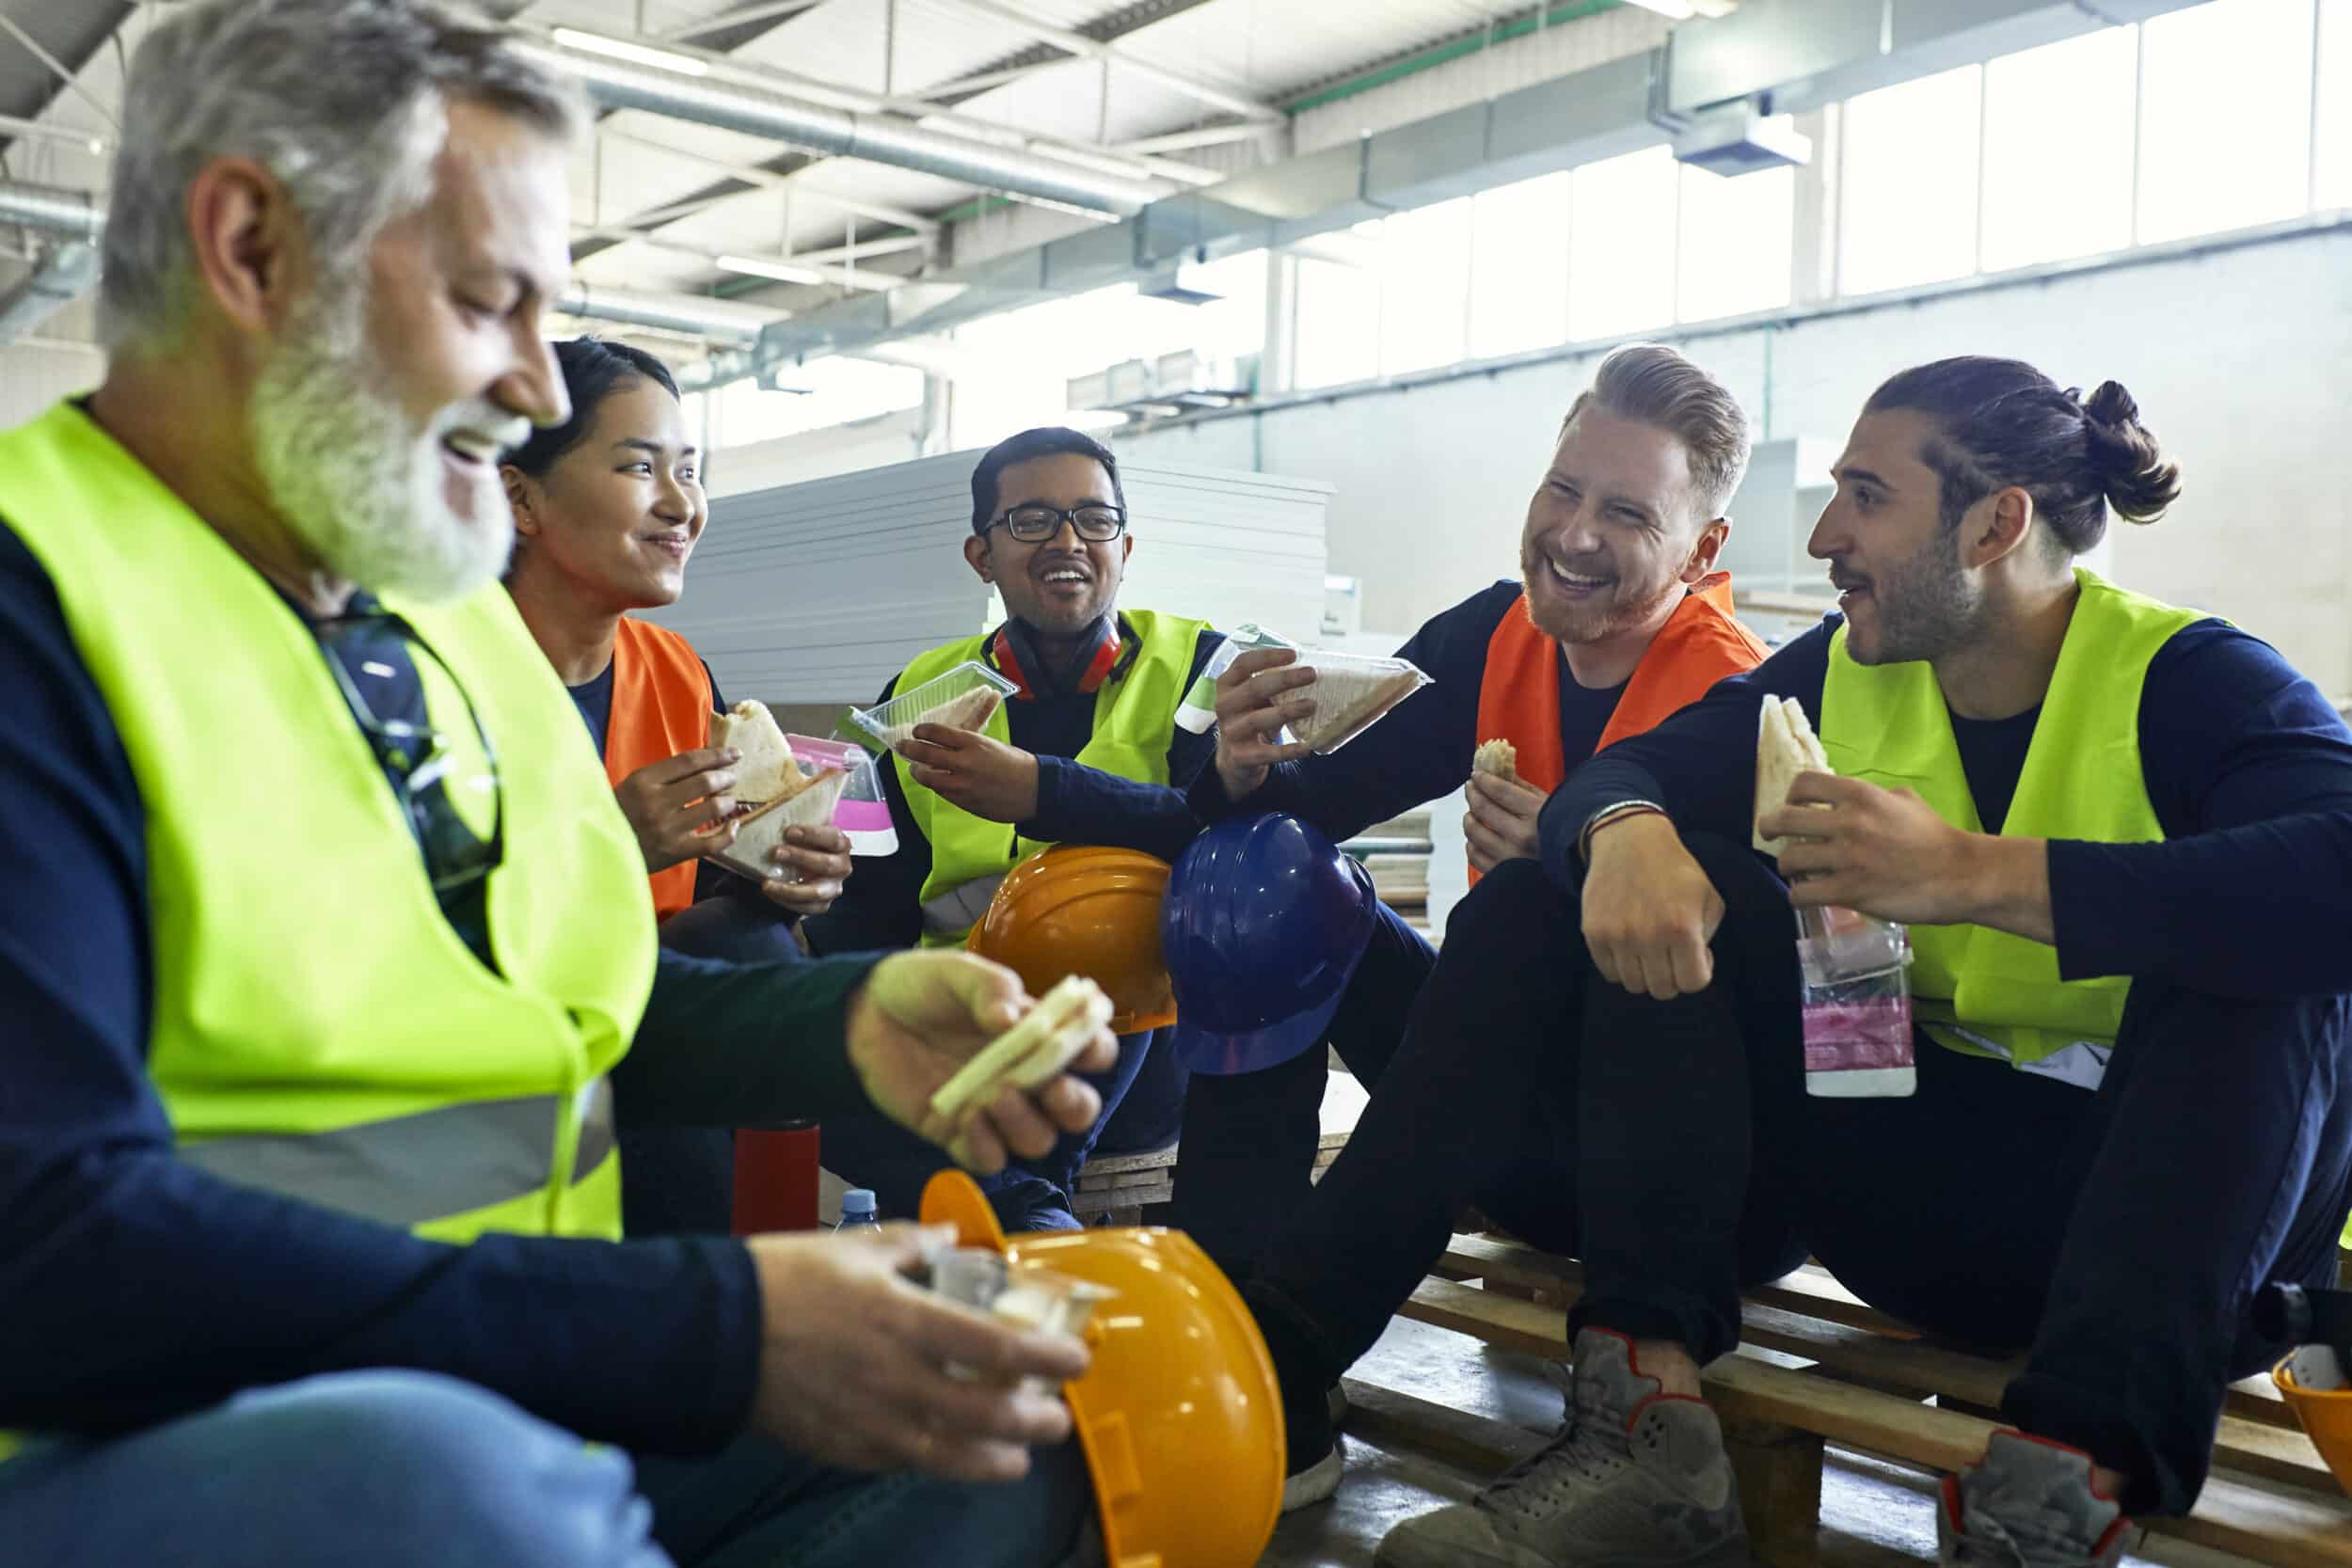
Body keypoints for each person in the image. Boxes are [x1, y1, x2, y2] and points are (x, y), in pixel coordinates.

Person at [0, 5, 1118, 1565]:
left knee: (1007, 1424)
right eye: (487, 303)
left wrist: (845, 1016)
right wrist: (708, 1328)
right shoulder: (38, 609)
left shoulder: (440, 626)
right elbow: (41, 1249)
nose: (535, 387)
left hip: (509, 1377)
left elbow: (553, 1016)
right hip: (153, 1439)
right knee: (458, 1494)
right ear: (250, 251)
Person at [1240, 356, 2352, 1566]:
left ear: (1995, 523)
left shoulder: (2193, 682)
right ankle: (1622, 1423)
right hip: (1920, 1208)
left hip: (2161, 1250)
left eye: (1865, 497)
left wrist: (1971, 872)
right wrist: (1622, 831)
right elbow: (1635, 770)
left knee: (2273, 948)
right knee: (1568, 895)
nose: (1824, 533)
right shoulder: (1845, 664)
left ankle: (2054, 1505)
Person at [1171, 343, 1771, 1283]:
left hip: (1681, 1181)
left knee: (1513, 911)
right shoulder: (1495, 633)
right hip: (1499, 1117)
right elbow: (1318, 800)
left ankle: (1310, 1313)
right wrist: (1241, 762)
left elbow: (1761, 1003)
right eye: (1561, 490)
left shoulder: (1738, 698)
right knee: (1255, 867)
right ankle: (1226, 1280)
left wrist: (1571, 857)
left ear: (1701, 550)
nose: (1572, 534)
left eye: (1624, 512)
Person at [804, 426, 1223, 1233]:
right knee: (789, 1051)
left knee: (1099, 926)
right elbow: (867, 897)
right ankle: (1026, 1212)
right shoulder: (920, 688)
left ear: (1125, 545)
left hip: (1129, 1047)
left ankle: (1017, 1200)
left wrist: (1044, 792)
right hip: (954, 1033)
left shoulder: (1198, 667)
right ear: (981, 555)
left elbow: (1225, 835)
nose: (1067, 542)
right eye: (1031, 521)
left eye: (1093, 520)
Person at [502, 334, 855, 1238]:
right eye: (639, 467)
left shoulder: (677, 673)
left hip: (648, 1024)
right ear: (521, 496)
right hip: (497, 1039)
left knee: (765, 944)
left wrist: (782, 879)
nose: (682, 506)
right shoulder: (431, 670)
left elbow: (710, 905)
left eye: (690, 472)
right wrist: (612, 847)